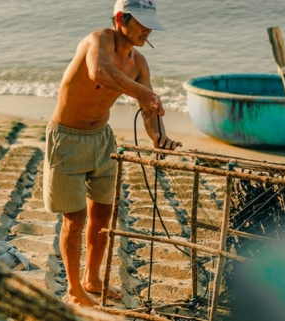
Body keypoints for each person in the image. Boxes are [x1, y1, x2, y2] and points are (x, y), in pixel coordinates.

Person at [42, 0, 181, 307]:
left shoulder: (139, 62)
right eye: (140, 22)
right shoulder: (99, 40)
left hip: (102, 139)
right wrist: (143, 92)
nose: (146, 29)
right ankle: (74, 289)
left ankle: (92, 278)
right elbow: (99, 72)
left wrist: (159, 136)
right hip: (67, 138)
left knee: (102, 216)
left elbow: (148, 110)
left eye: (150, 24)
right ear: (121, 18)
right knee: (75, 220)